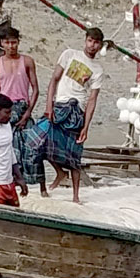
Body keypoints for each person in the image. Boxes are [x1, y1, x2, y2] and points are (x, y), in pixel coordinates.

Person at [22, 27, 104, 203]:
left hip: (77, 111)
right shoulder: (69, 54)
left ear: (100, 45)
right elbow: (54, 80)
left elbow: (92, 99)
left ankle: (75, 196)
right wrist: (49, 105)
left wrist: (86, 126)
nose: (92, 45)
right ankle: (58, 173)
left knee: (74, 153)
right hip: (59, 106)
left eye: (96, 42)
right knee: (37, 141)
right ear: (85, 40)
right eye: (90, 40)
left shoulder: (98, 70)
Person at [0, 27, 39, 142]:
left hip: (23, 109)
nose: (11, 46)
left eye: (14, 42)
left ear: (18, 42)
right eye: (7, 43)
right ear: (2, 43)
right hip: (4, 110)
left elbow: (35, 90)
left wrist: (28, 112)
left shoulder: (27, 61)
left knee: (29, 148)